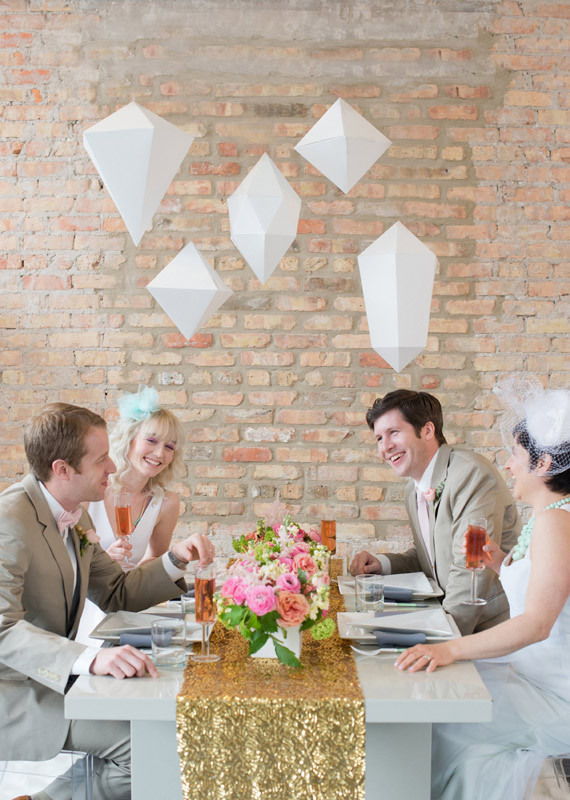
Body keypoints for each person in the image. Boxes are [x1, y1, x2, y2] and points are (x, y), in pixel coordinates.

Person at [0, 402, 214, 800]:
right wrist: (90, 658)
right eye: (101, 460)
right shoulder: (9, 520)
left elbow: (117, 592)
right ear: (63, 469)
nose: (113, 468)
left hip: (56, 678)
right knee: (149, 747)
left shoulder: (74, 515)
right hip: (16, 690)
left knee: (159, 725)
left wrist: (175, 558)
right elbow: (2, 630)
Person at [394, 379, 570, 800]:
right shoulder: (549, 518)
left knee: (443, 721)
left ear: (544, 463)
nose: (509, 466)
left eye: (516, 455)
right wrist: (499, 561)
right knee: (448, 718)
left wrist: (449, 649)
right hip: (528, 674)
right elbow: (546, 583)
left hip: (554, 693)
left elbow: (538, 623)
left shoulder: (556, 521)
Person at [350, 390, 520, 634]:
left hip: (493, 630)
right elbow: (433, 559)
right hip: (448, 618)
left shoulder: (470, 474)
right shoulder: (413, 489)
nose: (385, 447)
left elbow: (472, 567)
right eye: (379, 438)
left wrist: (438, 640)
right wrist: (383, 564)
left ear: (427, 430)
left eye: (393, 432)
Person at [77, 386, 184, 645]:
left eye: (169, 447)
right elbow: (66, 561)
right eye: (151, 441)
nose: (160, 454)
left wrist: (140, 572)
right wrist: (101, 561)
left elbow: (154, 558)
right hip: (85, 610)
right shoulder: (92, 491)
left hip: (127, 608)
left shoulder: (166, 503)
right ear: (130, 438)